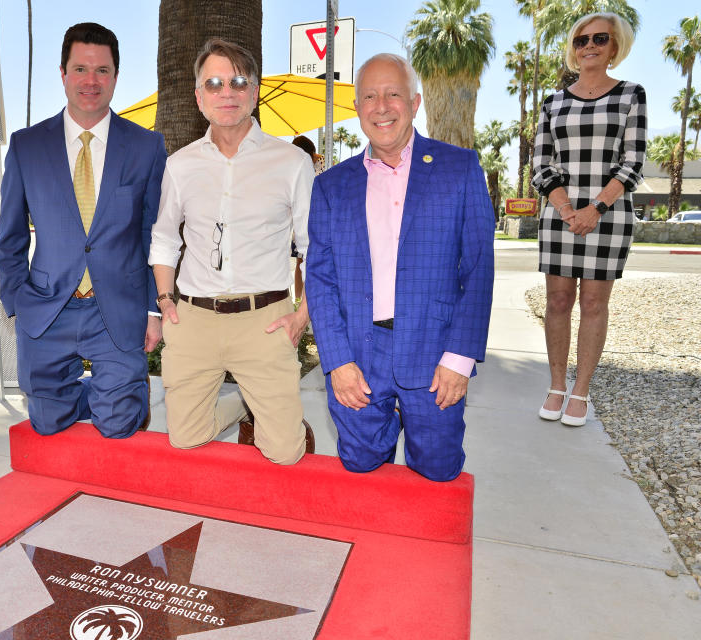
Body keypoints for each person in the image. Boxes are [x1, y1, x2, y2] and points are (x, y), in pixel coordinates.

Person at [305, 53, 495, 482]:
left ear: (415, 102)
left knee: (437, 470)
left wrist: (460, 358)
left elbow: (478, 270)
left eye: (393, 93)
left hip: (436, 356)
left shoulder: (459, 169)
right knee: (361, 466)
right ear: (357, 108)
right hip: (358, 356)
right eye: (370, 95)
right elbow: (320, 277)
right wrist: (336, 361)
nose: (381, 105)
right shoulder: (331, 186)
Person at [149, 38, 315, 465]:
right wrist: (166, 301)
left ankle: (267, 413)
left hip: (265, 321)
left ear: (254, 91)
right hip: (194, 320)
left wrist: (303, 315)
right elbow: (166, 237)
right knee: (184, 437)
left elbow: (312, 247)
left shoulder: (291, 163)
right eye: (215, 83)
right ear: (199, 96)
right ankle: (245, 404)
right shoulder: (180, 165)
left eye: (239, 82)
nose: (227, 92)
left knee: (284, 452)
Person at [0, 22, 166, 438]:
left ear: (115, 76)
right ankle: (106, 390)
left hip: (117, 309)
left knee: (120, 423)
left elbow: (153, 235)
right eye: (80, 69)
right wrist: (17, 302)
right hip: (48, 307)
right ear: (63, 73)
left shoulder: (147, 147)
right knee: (48, 424)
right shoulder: (26, 146)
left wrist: (153, 309)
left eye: (102, 70)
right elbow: (12, 235)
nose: (91, 81)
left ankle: (121, 392)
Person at [533, 13, 645, 427]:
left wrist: (595, 207)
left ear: (615, 46)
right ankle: (557, 385)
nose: (589, 46)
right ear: (573, 47)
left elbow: (634, 162)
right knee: (558, 302)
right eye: (581, 40)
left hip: (609, 216)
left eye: (600, 38)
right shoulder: (553, 102)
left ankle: (582, 390)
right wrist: (565, 209)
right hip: (560, 216)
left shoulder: (632, 95)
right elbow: (541, 165)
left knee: (595, 303)